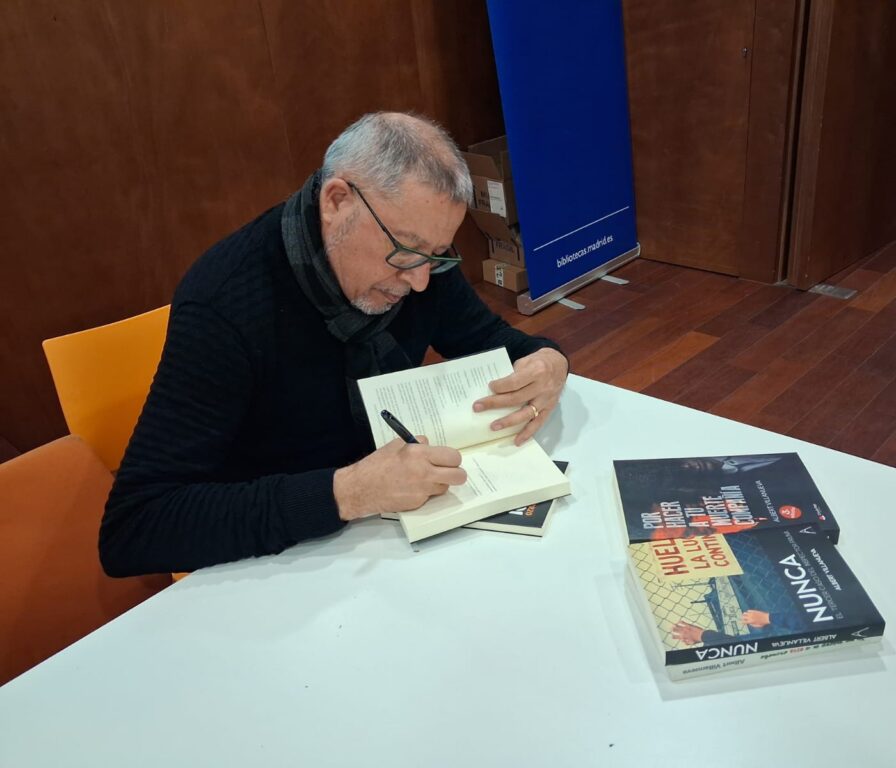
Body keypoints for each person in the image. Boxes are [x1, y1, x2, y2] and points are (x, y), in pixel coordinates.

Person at [100, 112, 568, 577]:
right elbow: (137, 527)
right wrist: (347, 492)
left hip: (389, 535)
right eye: (405, 252)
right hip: (283, 560)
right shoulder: (225, 305)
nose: (421, 281)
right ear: (337, 201)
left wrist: (548, 359)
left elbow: (488, 340)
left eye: (437, 256)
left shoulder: (420, 260)